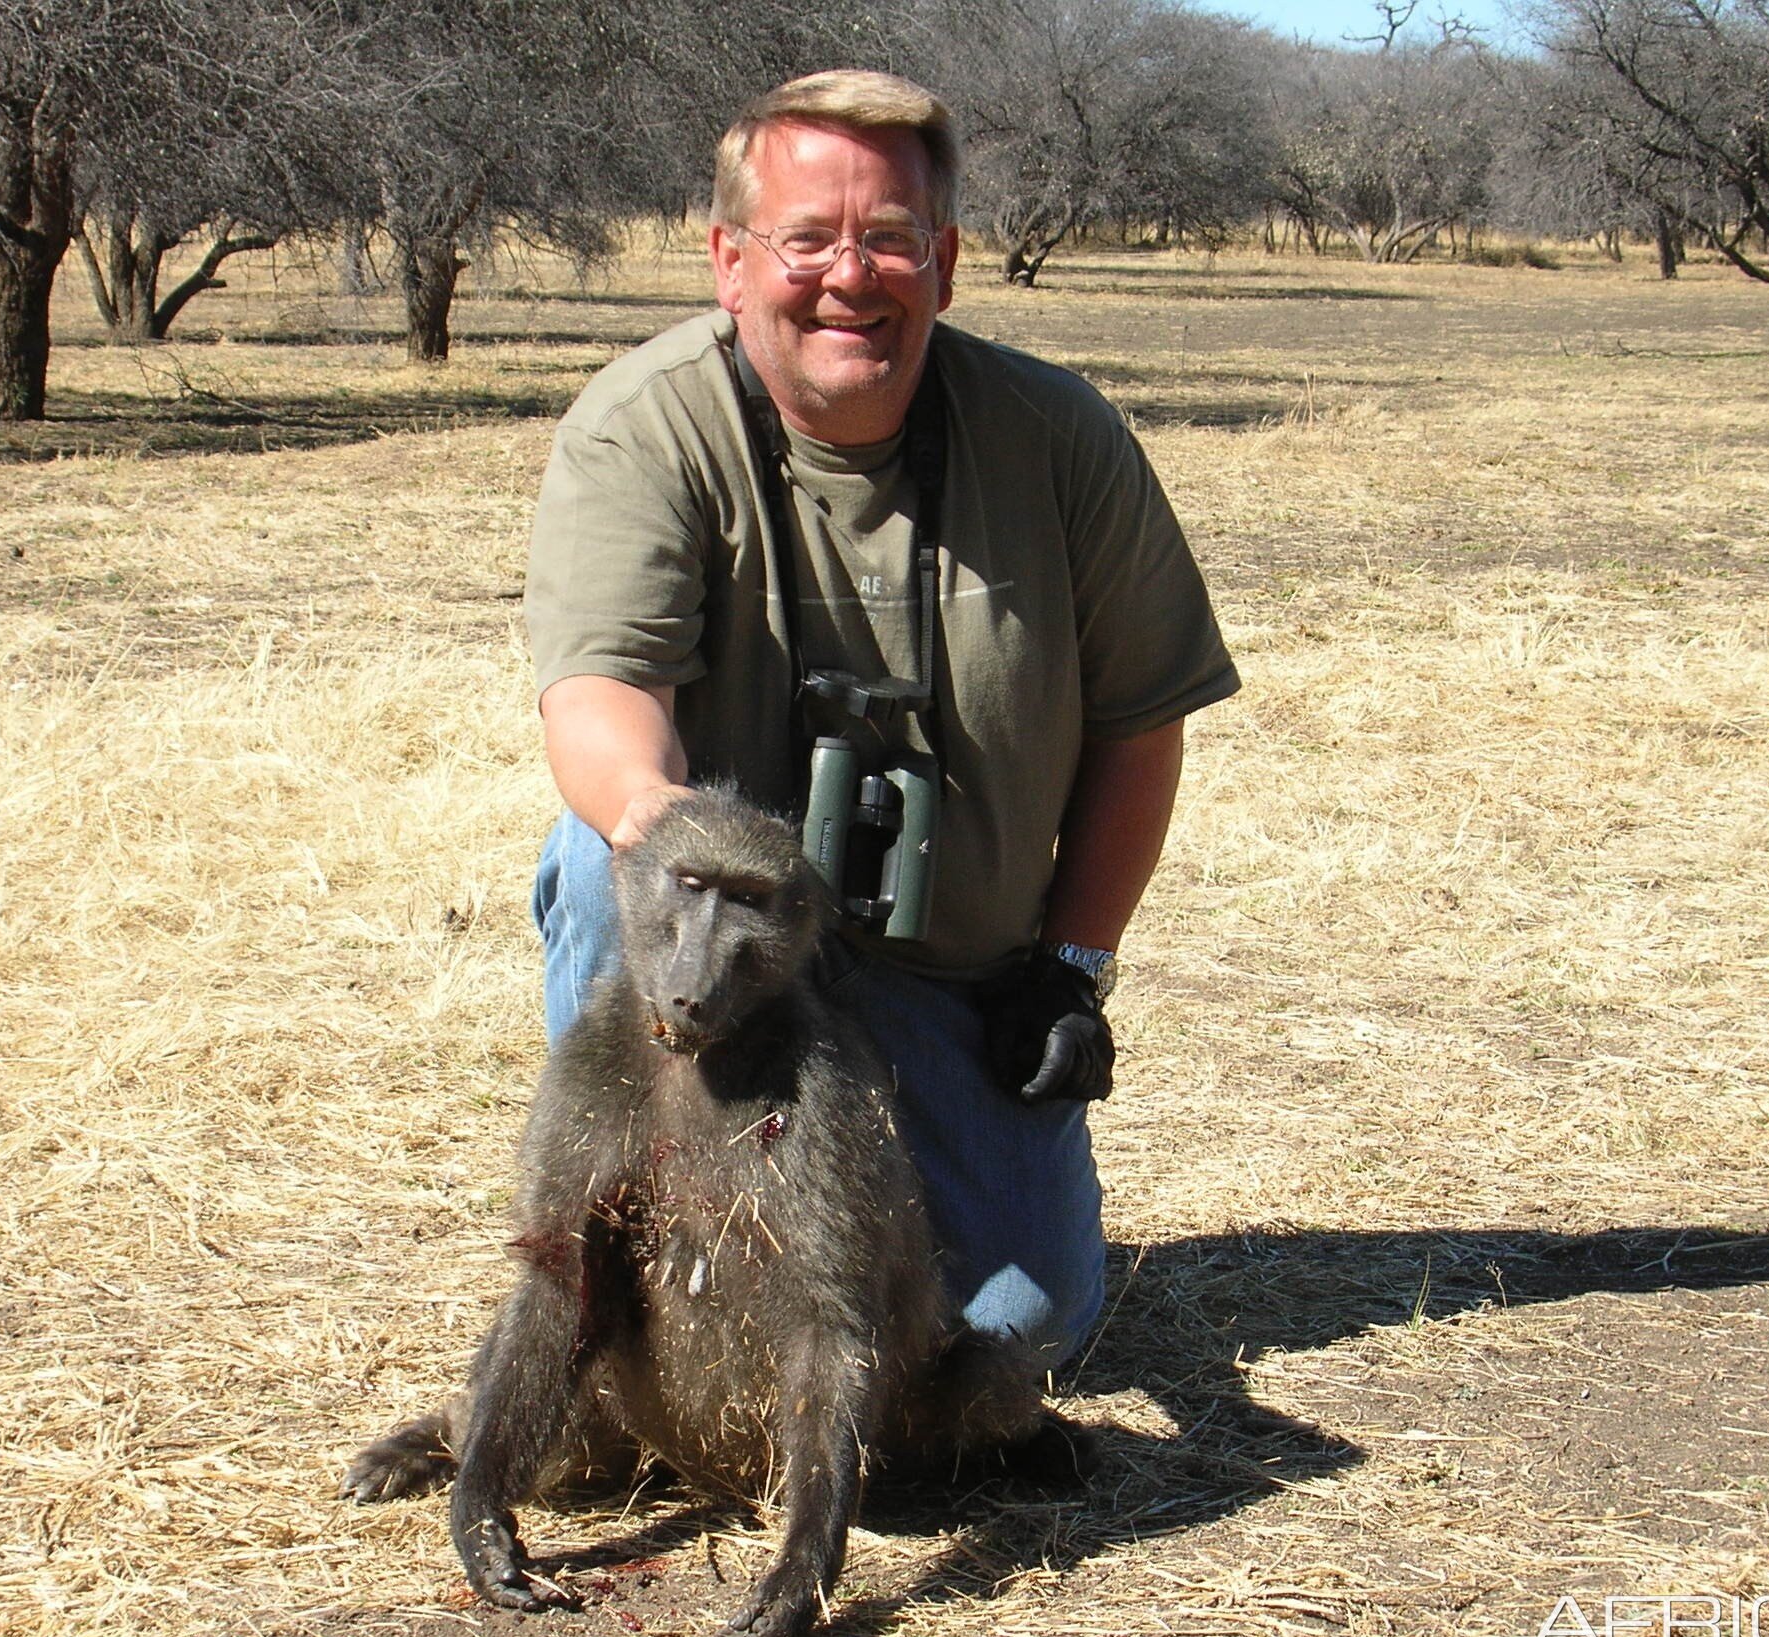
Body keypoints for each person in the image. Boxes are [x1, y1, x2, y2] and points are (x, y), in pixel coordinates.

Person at [521, 69, 1238, 1368]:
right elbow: (598, 706)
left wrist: (1074, 968)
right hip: (740, 962)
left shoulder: (1063, 439)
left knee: (1022, 1337)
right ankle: (627, 1269)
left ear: (948, 264)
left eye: (893, 238)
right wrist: (672, 832)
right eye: (808, 239)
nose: (853, 276)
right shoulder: (644, 428)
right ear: (730, 263)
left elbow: (1144, 723)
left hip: (956, 978)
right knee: (601, 866)